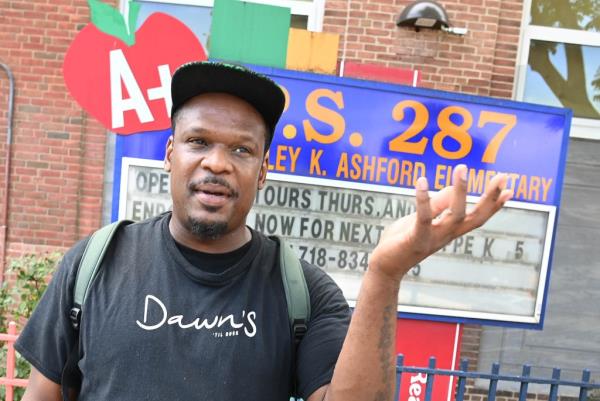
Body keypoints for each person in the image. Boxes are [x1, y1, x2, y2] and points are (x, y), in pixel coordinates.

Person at [16, 61, 513, 401]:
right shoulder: (94, 262)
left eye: (241, 150)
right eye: (198, 141)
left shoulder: (303, 291)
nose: (217, 162)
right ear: (170, 153)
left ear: (263, 169)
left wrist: (384, 273)